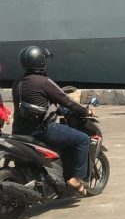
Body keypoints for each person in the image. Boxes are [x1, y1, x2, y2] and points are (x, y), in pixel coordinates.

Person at [11, 46, 92, 196]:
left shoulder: (17, 82)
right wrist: (85, 111)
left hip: (19, 131)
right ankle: (75, 179)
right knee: (82, 139)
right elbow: (67, 101)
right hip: (42, 130)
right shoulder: (43, 82)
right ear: (41, 61)